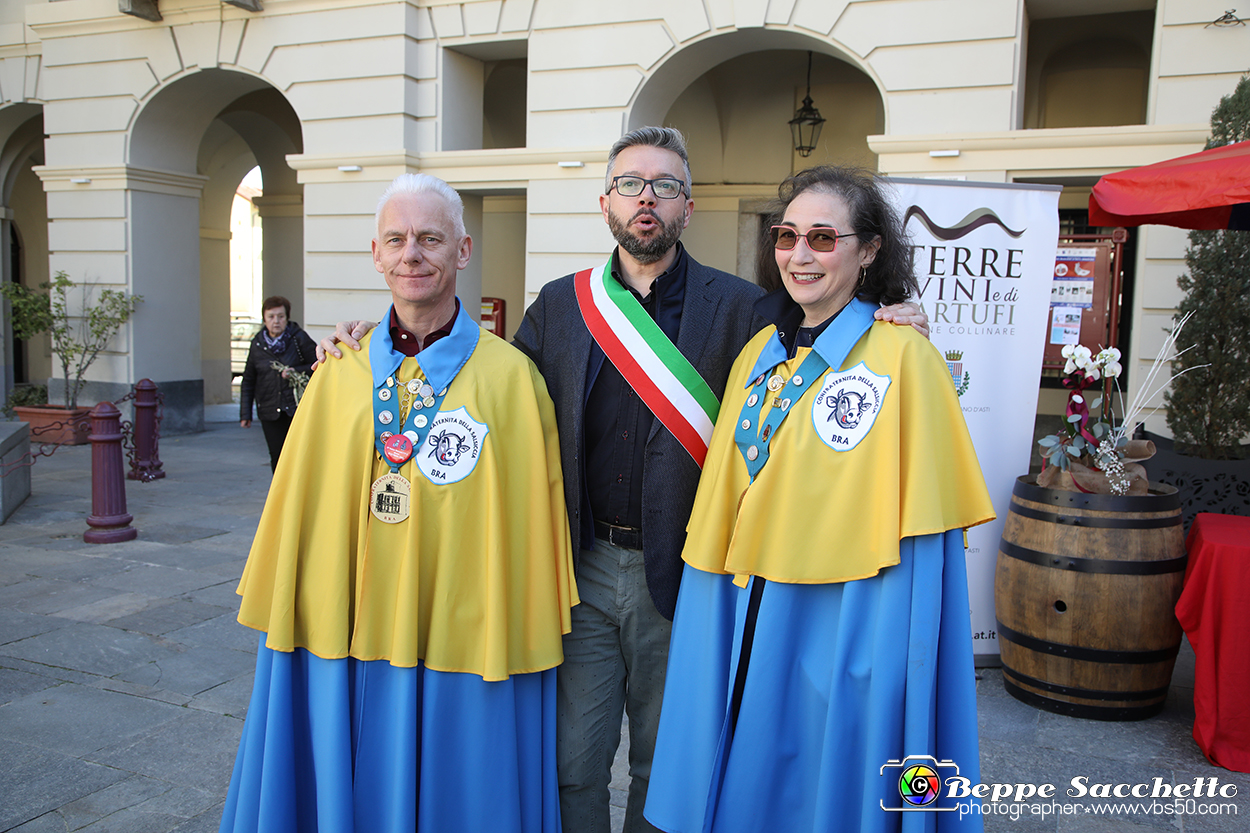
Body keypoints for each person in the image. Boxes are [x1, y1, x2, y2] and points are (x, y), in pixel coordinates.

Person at [317, 129, 929, 833]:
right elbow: (485, 397)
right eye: (632, 184)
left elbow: (828, 342)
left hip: (687, 573)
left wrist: (896, 314)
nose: (647, 199)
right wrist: (377, 342)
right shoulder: (560, 304)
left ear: (687, 207)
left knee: (665, 763)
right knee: (572, 760)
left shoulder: (744, 306)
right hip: (579, 567)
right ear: (604, 201)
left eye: (664, 186)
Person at [219, 173, 578, 833]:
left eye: (430, 238)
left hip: (461, 638)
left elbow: (528, 528)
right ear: (377, 254)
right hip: (348, 632)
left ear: (462, 251)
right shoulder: (338, 375)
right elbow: (304, 514)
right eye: (397, 239)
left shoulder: (511, 379)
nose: (412, 253)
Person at [642, 166, 995, 833]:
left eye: (823, 237)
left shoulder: (903, 356)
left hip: (844, 622)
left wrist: (885, 662)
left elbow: (920, 539)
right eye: (787, 235)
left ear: (868, 251)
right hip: (747, 605)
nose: (800, 254)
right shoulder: (757, 353)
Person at [238, 295, 317, 471]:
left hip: (296, 408)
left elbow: (319, 365)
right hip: (269, 409)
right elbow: (249, 379)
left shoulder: (298, 338)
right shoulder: (258, 344)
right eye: (271, 317)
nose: (276, 321)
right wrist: (245, 414)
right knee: (277, 455)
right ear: (264, 319)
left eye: (281, 316)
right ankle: (280, 496)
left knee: (298, 454)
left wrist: (295, 371)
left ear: (287, 318)